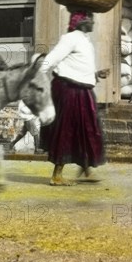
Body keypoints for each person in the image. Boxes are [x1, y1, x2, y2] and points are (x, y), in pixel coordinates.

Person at [41, 10, 110, 186]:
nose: (93, 23)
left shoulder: (85, 41)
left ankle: (86, 168)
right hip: (68, 89)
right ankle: (57, 175)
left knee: (87, 128)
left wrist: (95, 74)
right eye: (90, 19)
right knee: (66, 129)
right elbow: (50, 60)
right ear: (80, 21)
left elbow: (77, 67)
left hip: (82, 90)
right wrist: (37, 79)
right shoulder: (70, 38)